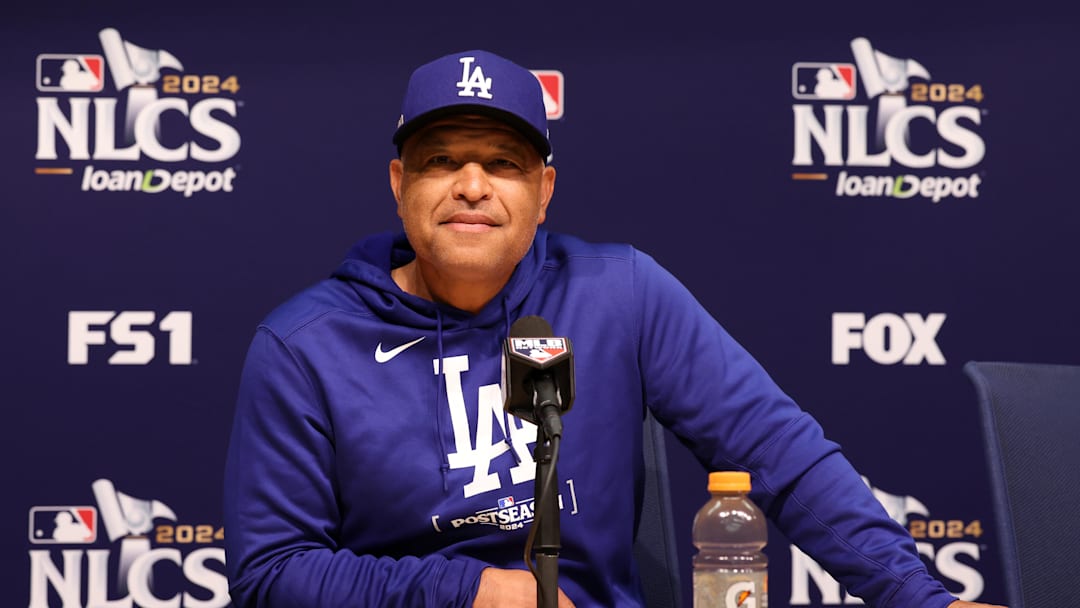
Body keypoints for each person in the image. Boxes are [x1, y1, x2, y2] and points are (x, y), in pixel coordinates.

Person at [222, 49, 1005, 608]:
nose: (470, 185)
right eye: (439, 160)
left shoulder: (618, 291)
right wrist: (468, 591)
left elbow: (780, 454)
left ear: (544, 190)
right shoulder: (306, 344)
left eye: (502, 163)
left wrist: (922, 600)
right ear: (400, 184)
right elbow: (272, 571)